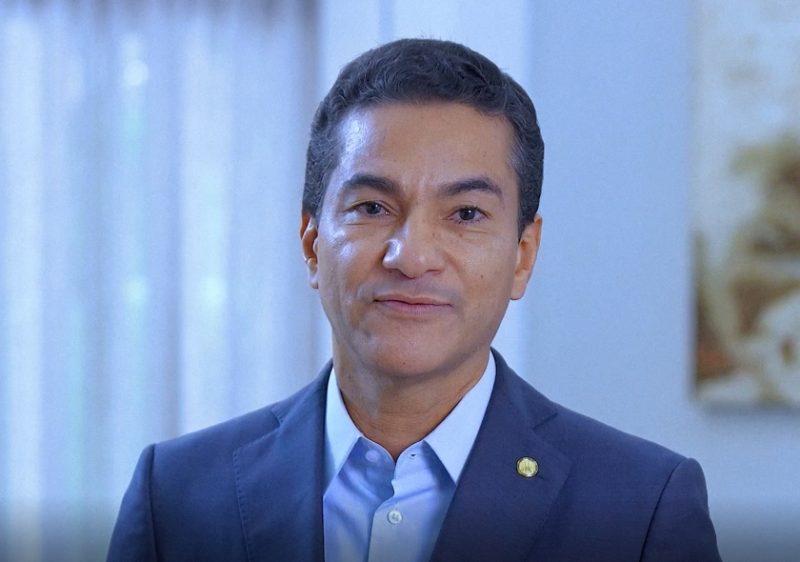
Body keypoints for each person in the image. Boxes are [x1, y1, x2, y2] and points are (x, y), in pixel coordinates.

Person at [107, 38, 721, 561]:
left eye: (466, 214)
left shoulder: (642, 508)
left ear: (522, 255)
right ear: (312, 243)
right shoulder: (175, 496)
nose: (412, 255)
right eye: (373, 207)